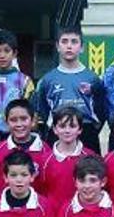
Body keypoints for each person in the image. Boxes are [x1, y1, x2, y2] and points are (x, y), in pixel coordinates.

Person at [33, 26, 105, 154]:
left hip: (86, 132)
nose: (69, 46)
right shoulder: (47, 80)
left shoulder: (93, 78)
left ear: (82, 47)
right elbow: (43, 110)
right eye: (64, 41)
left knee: (90, 171)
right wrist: (55, 125)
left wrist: (92, 128)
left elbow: (101, 108)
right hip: (58, 131)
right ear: (57, 46)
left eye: (74, 41)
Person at [39, 106, 95, 212]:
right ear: (55, 129)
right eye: (62, 126)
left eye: (72, 126)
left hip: (81, 216)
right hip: (54, 216)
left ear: (80, 130)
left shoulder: (90, 157)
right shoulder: (45, 160)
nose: (67, 131)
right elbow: (42, 191)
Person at [0, 99, 51, 193]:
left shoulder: (45, 150)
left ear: (33, 120)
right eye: (13, 120)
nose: (19, 124)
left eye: (23, 119)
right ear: (6, 122)